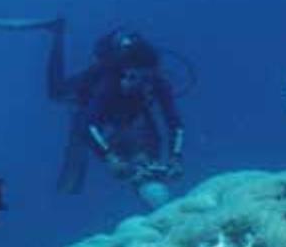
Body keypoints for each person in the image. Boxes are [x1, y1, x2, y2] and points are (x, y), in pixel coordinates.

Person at [44, 20, 186, 208]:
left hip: (131, 111)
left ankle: (145, 174)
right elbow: (87, 125)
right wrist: (109, 157)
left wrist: (175, 157)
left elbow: (175, 124)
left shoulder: (157, 84)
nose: (140, 84)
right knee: (56, 92)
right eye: (134, 77)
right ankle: (57, 33)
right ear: (124, 72)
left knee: (143, 142)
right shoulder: (108, 82)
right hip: (93, 101)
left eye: (146, 78)